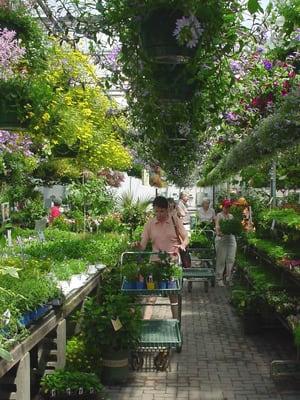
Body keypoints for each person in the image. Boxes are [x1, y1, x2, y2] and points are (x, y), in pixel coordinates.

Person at [136, 196, 189, 319]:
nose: (159, 214)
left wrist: (183, 244)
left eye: (162, 211)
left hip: (172, 263)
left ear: (167, 209)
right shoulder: (150, 224)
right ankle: (146, 322)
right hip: (155, 263)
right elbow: (142, 245)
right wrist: (138, 246)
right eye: (156, 211)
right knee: (151, 295)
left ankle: (176, 322)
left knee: (173, 295)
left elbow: (186, 237)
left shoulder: (175, 220)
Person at [215, 199, 237, 287]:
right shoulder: (219, 215)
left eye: (229, 207)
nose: (228, 208)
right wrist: (218, 233)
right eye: (226, 207)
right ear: (223, 207)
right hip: (222, 239)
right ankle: (219, 278)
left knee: (231, 259)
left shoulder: (231, 216)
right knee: (221, 259)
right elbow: (217, 226)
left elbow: (234, 227)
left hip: (231, 239)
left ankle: (228, 277)